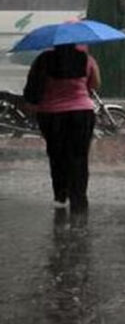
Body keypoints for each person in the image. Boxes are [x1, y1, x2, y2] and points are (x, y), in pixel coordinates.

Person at [23, 44, 100, 214]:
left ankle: (60, 195)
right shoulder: (87, 60)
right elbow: (95, 84)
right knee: (79, 157)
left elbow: (32, 86)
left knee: (56, 154)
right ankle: (79, 197)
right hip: (81, 112)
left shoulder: (43, 60)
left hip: (51, 114)